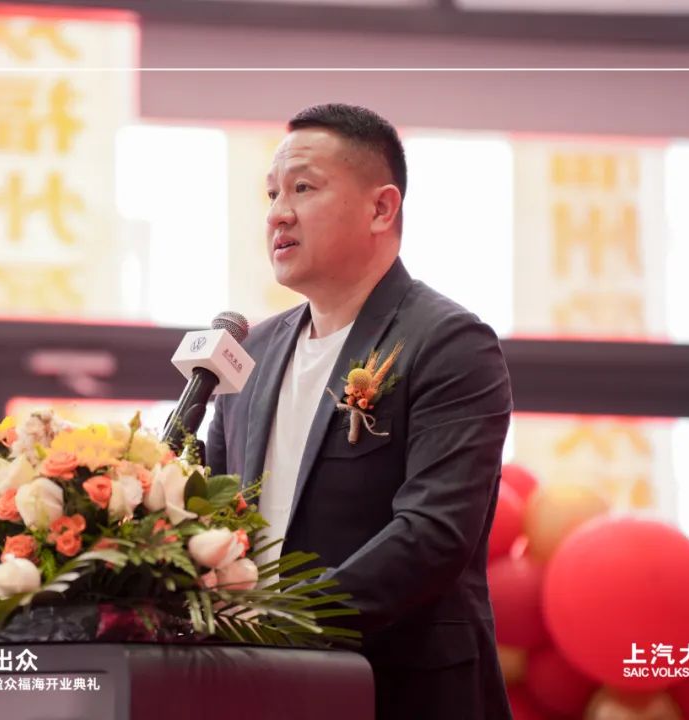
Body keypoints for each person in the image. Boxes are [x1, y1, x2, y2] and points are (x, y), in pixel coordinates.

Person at [205, 103, 514, 720]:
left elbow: (432, 534)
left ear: (381, 209)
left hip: (397, 690)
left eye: (303, 188)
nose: (278, 213)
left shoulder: (449, 343)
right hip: (253, 686)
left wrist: (283, 623)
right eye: (272, 193)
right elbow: (208, 512)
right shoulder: (250, 353)